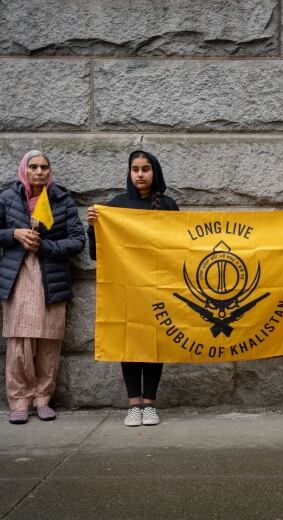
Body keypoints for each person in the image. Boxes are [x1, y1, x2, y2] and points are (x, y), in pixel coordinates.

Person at [0, 151, 85, 424]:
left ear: (50, 172)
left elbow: (77, 240)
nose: (39, 172)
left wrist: (46, 245)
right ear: (24, 170)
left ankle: (42, 398)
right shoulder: (8, 198)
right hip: (17, 277)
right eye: (33, 167)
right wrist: (14, 234)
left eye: (44, 167)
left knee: (49, 340)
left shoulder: (62, 200)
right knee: (19, 341)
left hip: (51, 277)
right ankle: (19, 400)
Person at [87, 150, 179, 427]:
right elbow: (97, 254)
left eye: (146, 169)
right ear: (129, 173)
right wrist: (94, 227)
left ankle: (149, 404)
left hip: (157, 287)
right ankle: (133, 404)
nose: (140, 174)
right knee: (128, 343)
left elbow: (180, 248)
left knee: (153, 344)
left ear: (155, 172)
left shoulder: (168, 205)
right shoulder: (116, 206)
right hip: (125, 288)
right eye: (135, 169)